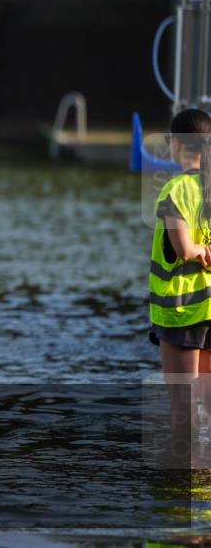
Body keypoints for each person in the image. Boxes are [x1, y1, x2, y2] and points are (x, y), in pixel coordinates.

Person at [149, 109, 211, 461]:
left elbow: (184, 250)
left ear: (176, 145)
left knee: (182, 415)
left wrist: (200, 249)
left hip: (182, 312)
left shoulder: (176, 189)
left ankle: (179, 499)